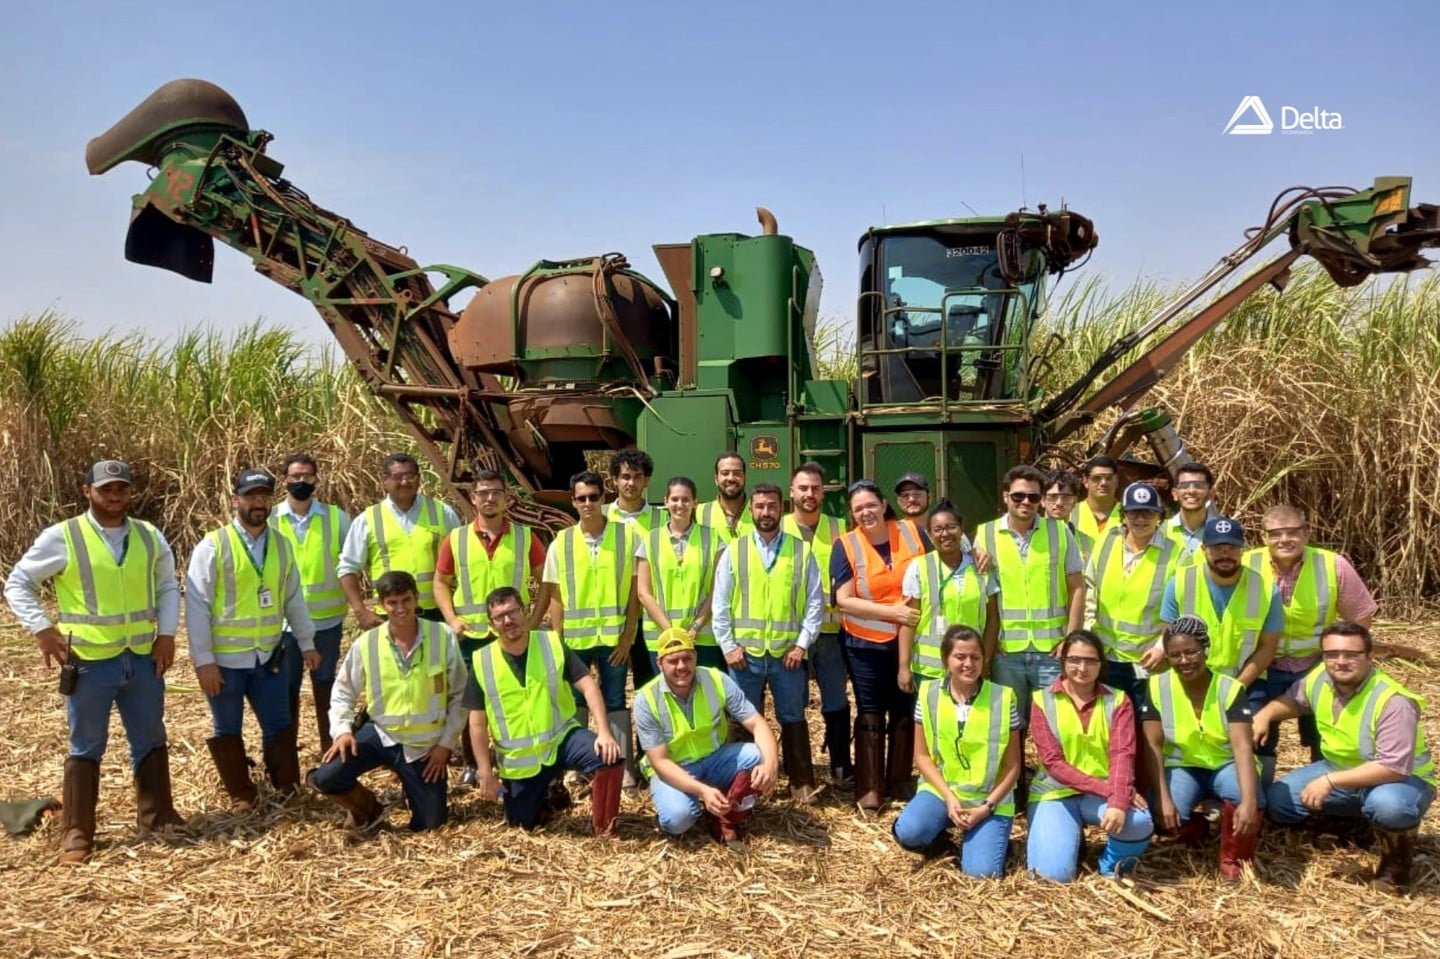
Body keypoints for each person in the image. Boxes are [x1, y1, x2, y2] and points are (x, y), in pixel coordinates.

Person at [3, 459, 184, 863]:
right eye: (105, 489)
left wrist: (167, 635)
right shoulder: (64, 536)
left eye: (121, 488)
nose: (114, 496)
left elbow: (167, 586)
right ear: (88, 491)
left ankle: (158, 817)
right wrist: (43, 631)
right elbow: (18, 583)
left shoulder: (149, 536)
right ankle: (77, 832)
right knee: (85, 744)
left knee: (151, 737)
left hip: (140, 659)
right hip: (89, 662)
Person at [1257, 621, 1435, 893]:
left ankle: (1395, 868)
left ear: (1370, 655)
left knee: (1390, 807)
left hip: (1400, 780)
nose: (1340, 662)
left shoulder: (1392, 701)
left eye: (1351, 654)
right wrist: (1265, 715)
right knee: (1278, 802)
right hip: (1341, 770)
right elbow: (1295, 700)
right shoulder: (1320, 679)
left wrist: (1329, 781)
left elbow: (1394, 767)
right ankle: (1356, 826)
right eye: (1332, 654)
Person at [186, 469, 319, 809]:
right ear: (236, 500)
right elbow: (197, 607)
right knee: (227, 727)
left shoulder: (281, 544)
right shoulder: (213, 545)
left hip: (267, 657)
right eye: (251, 496)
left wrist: (307, 643)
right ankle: (241, 794)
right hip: (226, 662)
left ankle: (286, 786)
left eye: (264, 496)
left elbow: (293, 598)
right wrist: (204, 662)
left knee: (279, 723)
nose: (258, 503)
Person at [308, 571, 467, 831]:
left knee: (430, 824)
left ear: (416, 598)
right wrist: (343, 732)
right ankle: (368, 808)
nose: (400, 608)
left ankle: (415, 792)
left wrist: (445, 745)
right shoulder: (367, 643)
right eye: (392, 603)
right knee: (326, 777)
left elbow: (460, 695)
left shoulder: (443, 637)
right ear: (381, 604)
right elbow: (343, 692)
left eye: (406, 600)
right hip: (379, 735)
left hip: (424, 747)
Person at [467, 586, 625, 836]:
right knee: (521, 826)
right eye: (500, 617)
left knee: (610, 758)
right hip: (521, 762)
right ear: (491, 623)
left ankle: (605, 828)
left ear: (525, 610)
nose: (508, 620)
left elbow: (588, 685)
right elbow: (476, 722)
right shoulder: (482, 661)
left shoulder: (551, 642)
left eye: (513, 611)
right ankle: (545, 797)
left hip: (561, 739)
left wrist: (604, 731)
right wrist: (485, 772)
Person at [977, 464, 1085, 804]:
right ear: (1006, 497)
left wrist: (1071, 638)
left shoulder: (1059, 533)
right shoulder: (985, 534)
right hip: (1007, 652)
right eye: (1019, 496)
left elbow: (1077, 587)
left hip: (1050, 651)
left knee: (1054, 727)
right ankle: (1014, 792)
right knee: (1012, 728)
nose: (1026, 502)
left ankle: (1053, 792)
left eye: (1033, 497)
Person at [433, 469, 547, 786]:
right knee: (473, 703)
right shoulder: (456, 539)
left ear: (506, 498)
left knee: (518, 696)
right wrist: (453, 619)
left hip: (514, 636)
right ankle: (473, 764)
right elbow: (440, 583)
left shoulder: (525, 537)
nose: (489, 498)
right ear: (473, 498)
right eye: (482, 492)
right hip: (473, 637)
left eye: (495, 492)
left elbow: (547, 581)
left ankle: (521, 758)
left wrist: (534, 621)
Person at [1243, 505, 1378, 772]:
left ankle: (1326, 796)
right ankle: (1261, 799)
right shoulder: (1246, 564)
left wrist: (1344, 662)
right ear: (1263, 537)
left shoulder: (1332, 564)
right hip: (1263, 665)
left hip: (1317, 665)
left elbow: (1361, 617)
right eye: (1276, 533)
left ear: (1306, 533)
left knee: (1326, 734)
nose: (1284, 540)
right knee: (1257, 734)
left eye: (1293, 532)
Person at [712, 484, 825, 803]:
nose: (766, 513)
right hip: (744, 656)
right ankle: (744, 785)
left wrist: (802, 645)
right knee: (743, 720)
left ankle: (800, 783)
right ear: (751, 510)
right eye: (760, 506)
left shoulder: (801, 550)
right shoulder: (736, 550)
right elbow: (720, 604)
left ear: (782, 509)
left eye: (772, 506)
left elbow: (815, 603)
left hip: (786, 655)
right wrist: (728, 646)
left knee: (793, 717)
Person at [533, 470, 641, 785]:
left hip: (613, 640)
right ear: (573, 502)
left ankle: (623, 773)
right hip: (575, 642)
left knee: (615, 700)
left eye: (594, 497)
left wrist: (627, 638)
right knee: (576, 702)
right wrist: (557, 643)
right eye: (581, 498)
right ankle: (577, 769)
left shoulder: (627, 536)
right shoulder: (562, 542)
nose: (588, 503)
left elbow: (635, 593)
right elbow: (555, 597)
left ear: (604, 498)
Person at [1139, 617, 1263, 881]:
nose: (1184, 661)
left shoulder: (1229, 688)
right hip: (1183, 765)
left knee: (1248, 797)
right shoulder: (1157, 685)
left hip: (1225, 763)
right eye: (1175, 655)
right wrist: (1163, 799)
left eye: (1191, 652)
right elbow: (1152, 744)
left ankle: (1234, 861)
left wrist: (1250, 802)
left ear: (1206, 650)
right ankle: (1198, 828)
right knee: (1158, 813)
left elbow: (1242, 747)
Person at [892, 626, 1021, 878]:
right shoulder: (928, 694)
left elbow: (1013, 766)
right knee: (909, 831)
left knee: (981, 874)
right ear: (946, 660)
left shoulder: (1004, 698)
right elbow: (922, 756)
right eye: (960, 657)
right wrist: (949, 797)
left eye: (975, 657)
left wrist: (986, 807)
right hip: (943, 791)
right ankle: (941, 842)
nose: (968, 664)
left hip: (989, 799)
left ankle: (990, 840)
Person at [635, 628, 780, 849]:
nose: (682, 666)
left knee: (757, 755)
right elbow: (661, 762)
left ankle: (726, 815)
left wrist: (771, 764)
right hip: (675, 768)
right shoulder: (646, 700)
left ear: (696, 657)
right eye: (673, 661)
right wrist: (702, 791)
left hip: (715, 759)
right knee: (678, 820)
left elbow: (757, 723)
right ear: (659, 663)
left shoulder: (716, 679)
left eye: (687, 658)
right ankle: (702, 799)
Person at [1026, 630, 1153, 882]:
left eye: (1090, 661)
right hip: (1055, 792)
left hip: (1100, 793)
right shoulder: (1042, 700)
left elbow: (1123, 754)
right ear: (1063, 661)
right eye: (1074, 660)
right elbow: (1053, 763)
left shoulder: (1118, 700)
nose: (1082, 667)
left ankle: (1110, 866)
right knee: (1052, 876)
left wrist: (1117, 801)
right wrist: (1111, 791)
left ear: (1100, 664)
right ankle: (1069, 837)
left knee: (1139, 822)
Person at [834, 479, 928, 809]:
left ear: (884, 505)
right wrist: (893, 612)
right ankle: (869, 787)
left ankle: (900, 781)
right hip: (865, 644)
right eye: (858, 509)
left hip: (910, 641)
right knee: (871, 711)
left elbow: (947, 559)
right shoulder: (845, 544)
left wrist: (978, 553)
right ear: (852, 514)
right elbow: (843, 600)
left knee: (904, 710)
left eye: (871, 505)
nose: (866, 513)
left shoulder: (914, 533)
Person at [269, 452, 350, 754]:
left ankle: (331, 752)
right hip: (285, 624)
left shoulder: (335, 518)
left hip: (326, 621)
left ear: (317, 479)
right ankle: (287, 756)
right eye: (295, 477)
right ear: (284, 480)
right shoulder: (270, 519)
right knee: (286, 689)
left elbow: (349, 565)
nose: (301, 482)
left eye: (307, 477)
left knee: (325, 684)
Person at [782, 462, 852, 782]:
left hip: (830, 632)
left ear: (823, 492)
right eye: (803, 488)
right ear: (791, 491)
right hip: (790, 634)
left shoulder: (840, 528)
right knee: (792, 704)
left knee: (836, 699)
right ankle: (798, 769)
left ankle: (840, 764)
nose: (809, 494)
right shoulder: (777, 527)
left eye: (815, 488)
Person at [338, 453, 463, 628]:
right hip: (390, 614)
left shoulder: (443, 512)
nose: (405, 482)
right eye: (397, 477)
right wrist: (361, 612)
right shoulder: (368, 519)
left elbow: (463, 560)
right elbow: (347, 568)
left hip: (436, 613)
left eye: (410, 476)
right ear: (385, 480)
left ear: (419, 479)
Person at [1157, 516, 1281, 685]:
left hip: (1245, 681)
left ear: (1242, 550)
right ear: (1203, 549)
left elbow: (1267, 647)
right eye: (1217, 548)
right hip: (1191, 679)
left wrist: (1238, 686)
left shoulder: (1266, 590)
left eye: (1231, 547)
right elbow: (1169, 639)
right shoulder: (1180, 582)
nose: (1225, 554)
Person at [1085, 482, 1178, 704]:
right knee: (1111, 727)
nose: (1140, 519)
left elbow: (1182, 610)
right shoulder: (1107, 541)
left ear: (1159, 516)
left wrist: (1162, 648)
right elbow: (1090, 588)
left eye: (1148, 513)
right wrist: (1089, 635)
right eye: (1133, 513)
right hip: (1106, 656)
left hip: (1148, 660)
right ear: (1124, 515)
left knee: (1146, 729)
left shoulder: (1176, 554)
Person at [897, 500, 999, 692]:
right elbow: (908, 620)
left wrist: (984, 661)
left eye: (951, 527)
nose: (945, 534)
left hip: (971, 667)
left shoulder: (980, 567)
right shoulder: (919, 567)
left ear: (961, 529)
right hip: (930, 669)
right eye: (938, 529)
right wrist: (903, 667)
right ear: (929, 534)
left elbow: (993, 618)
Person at [636, 476, 725, 670]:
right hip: (661, 636)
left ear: (695, 502)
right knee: (665, 696)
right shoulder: (651, 539)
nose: (680, 504)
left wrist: (694, 629)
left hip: (702, 637)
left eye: (686, 499)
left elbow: (718, 590)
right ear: (665, 501)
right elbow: (643, 592)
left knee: (705, 695)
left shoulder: (713, 538)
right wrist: (671, 632)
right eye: (674, 499)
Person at [607, 449, 666, 717]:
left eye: (637, 477)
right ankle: (617, 756)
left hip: (648, 618)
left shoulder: (661, 519)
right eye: (625, 477)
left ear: (647, 481)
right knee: (613, 692)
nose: (631, 483)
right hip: (611, 617)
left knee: (649, 686)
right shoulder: (602, 516)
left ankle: (648, 752)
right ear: (614, 481)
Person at [1165, 462, 1219, 568]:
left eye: (1199, 486)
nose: (1191, 491)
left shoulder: (1223, 533)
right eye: (1184, 486)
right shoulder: (1159, 532)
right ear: (1175, 494)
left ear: (1211, 493)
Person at [1070, 456, 1121, 561]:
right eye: (1096, 478)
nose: (1103, 483)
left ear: (1116, 481)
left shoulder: (1131, 515)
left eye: (1109, 478)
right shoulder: (1070, 514)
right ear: (1085, 481)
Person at [696, 453, 753, 544]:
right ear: (716, 479)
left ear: (745, 478)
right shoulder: (698, 513)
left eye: (737, 473)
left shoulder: (761, 511)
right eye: (725, 473)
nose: (731, 478)